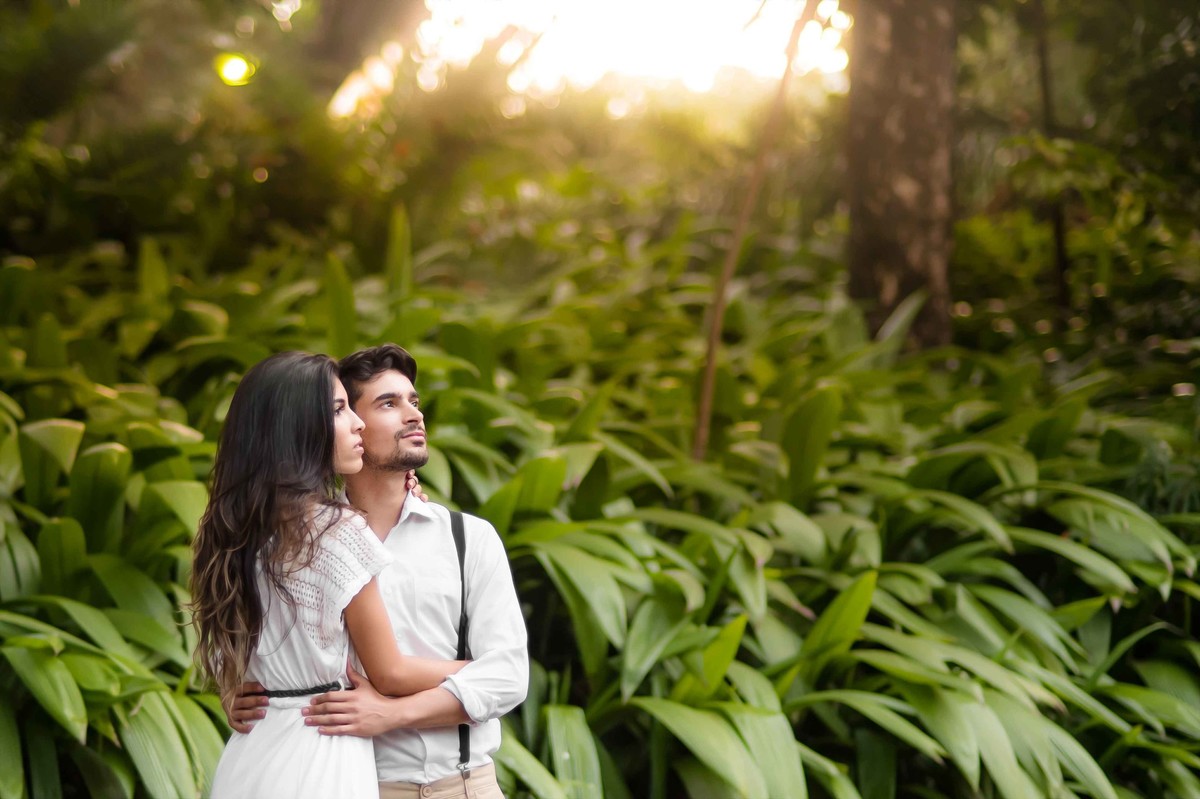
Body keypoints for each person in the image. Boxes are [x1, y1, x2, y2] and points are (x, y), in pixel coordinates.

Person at [230, 343, 529, 799]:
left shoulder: (468, 539)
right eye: (388, 404)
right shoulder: (296, 542)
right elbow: (257, 648)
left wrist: (391, 714)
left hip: (466, 786)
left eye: (414, 401)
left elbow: (510, 678)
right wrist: (248, 693)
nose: (414, 415)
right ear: (346, 423)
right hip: (355, 783)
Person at [191, 351, 468, 799]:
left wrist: (235, 692)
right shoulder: (338, 533)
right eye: (339, 411)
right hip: (321, 752)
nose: (357, 423)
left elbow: (234, 657)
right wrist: (480, 669)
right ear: (300, 429)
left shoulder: (233, 531)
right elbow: (390, 672)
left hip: (251, 754)